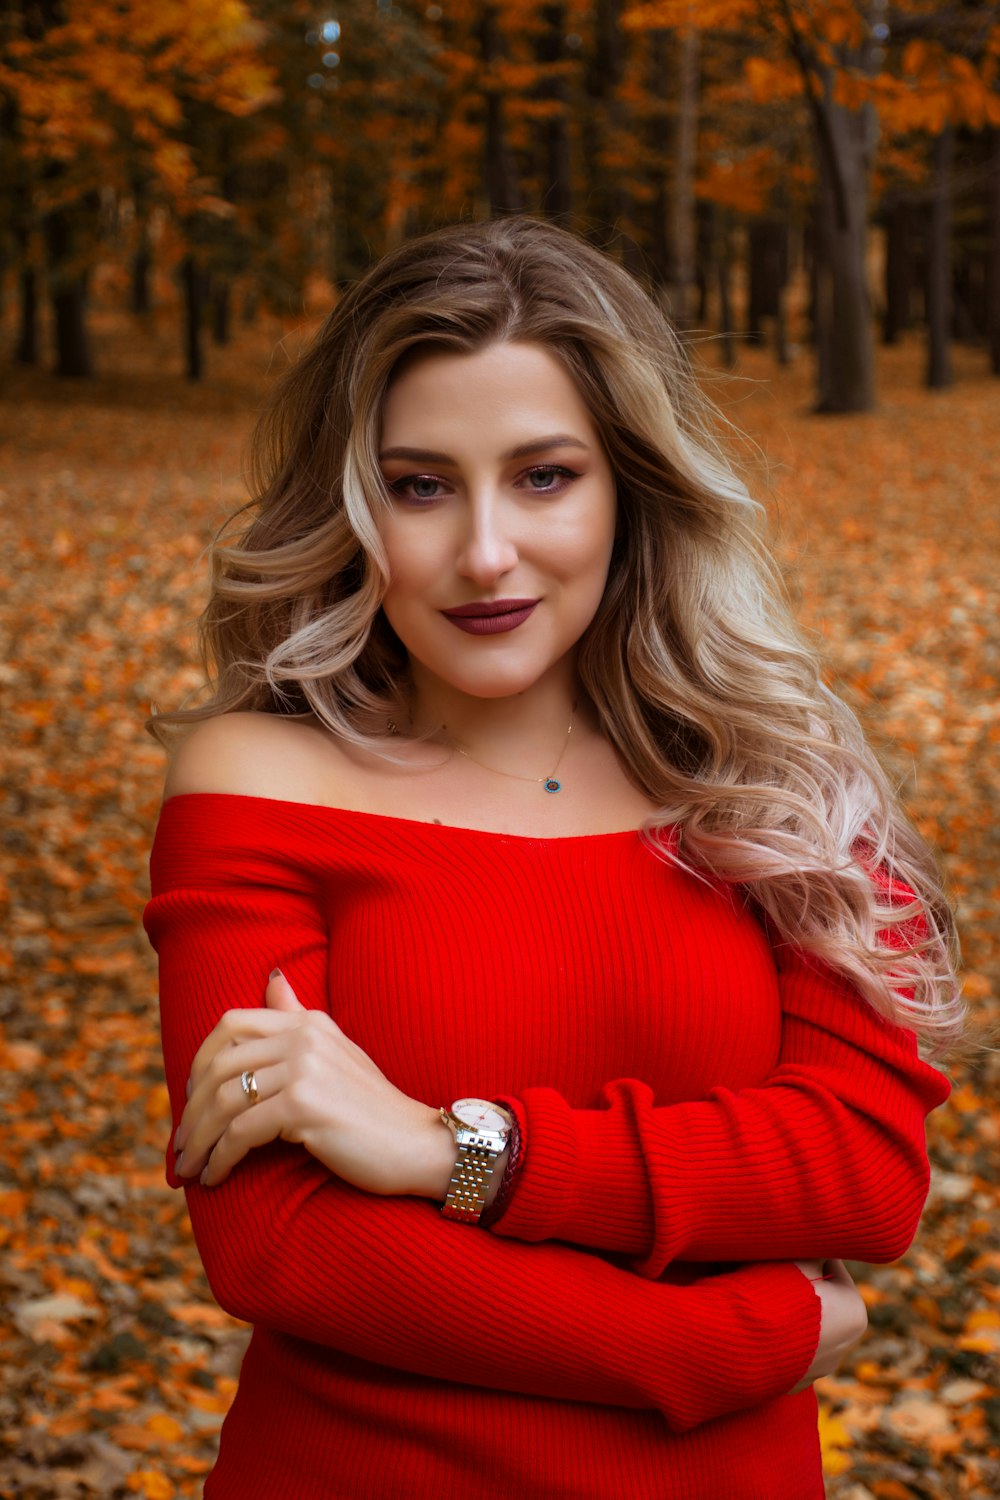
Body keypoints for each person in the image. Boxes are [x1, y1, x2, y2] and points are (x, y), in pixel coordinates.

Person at [142, 215, 960, 1500]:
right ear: (354, 507)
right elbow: (281, 1244)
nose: (482, 552)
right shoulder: (259, 782)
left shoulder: (785, 786)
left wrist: (453, 1150)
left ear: (632, 484)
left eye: (543, 476)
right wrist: (717, 1341)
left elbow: (857, 1173)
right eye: (420, 485)